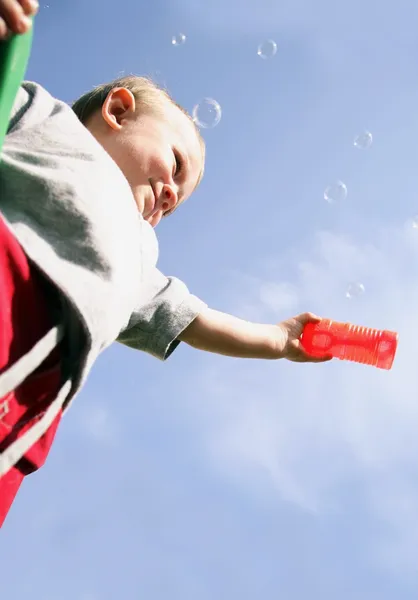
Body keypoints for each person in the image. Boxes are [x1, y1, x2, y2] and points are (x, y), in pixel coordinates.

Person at [0, 0, 332, 527]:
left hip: (29, 410)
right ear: (118, 111)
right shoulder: (47, 122)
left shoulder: (135, 255)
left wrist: (279, 340)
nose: (171, 194)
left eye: (180, 199)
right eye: (176, 165)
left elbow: (194, 319)